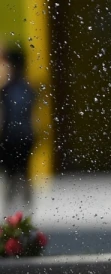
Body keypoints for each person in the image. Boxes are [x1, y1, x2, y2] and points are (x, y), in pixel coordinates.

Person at [0, 47, 35, 212]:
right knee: (15, 174)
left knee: (20, 173)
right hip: (14, 136)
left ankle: (22, 207)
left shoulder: (12, 89)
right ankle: (17, 207)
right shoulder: (19, 88)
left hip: (17, 136)